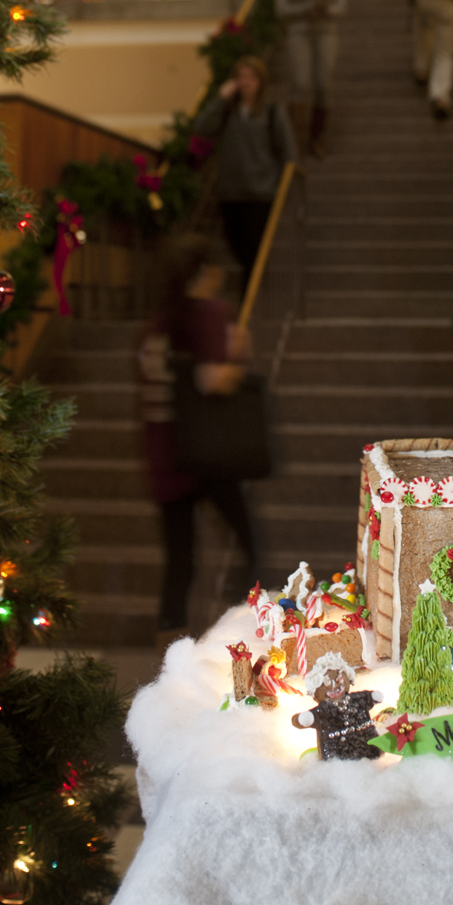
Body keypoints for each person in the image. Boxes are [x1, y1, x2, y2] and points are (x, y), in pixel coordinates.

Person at [138, 234, 260, 646]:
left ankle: (168, 649)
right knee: (249, 545)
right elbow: (212, 380)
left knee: (180, 562)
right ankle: (246, 635)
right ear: (204, 272)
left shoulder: (156, 325)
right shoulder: (206, 315)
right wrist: (239, 359)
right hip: (207, 453)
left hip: (163, 454)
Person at [191, 55, 297, 280]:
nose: (246, 82)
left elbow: (287, 152)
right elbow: (201, 128)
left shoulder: (271, 112)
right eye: (241, 77)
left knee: (252, 251)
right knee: (236, 245)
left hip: (260, 195)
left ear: (261, 82)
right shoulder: (228, 111)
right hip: (230, 193)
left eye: (251, 77)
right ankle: (252, 294)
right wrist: (219, 99)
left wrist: (282, 187)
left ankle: (248, 302)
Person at [273, 0, 345, 158]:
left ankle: (316, 138)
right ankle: (295, 138)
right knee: (300, 83)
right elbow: (281, 8)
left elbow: (341, 5)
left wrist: (326, 10)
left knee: (323, 83)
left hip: (326, 32)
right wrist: (304, 10)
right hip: (299, 31)